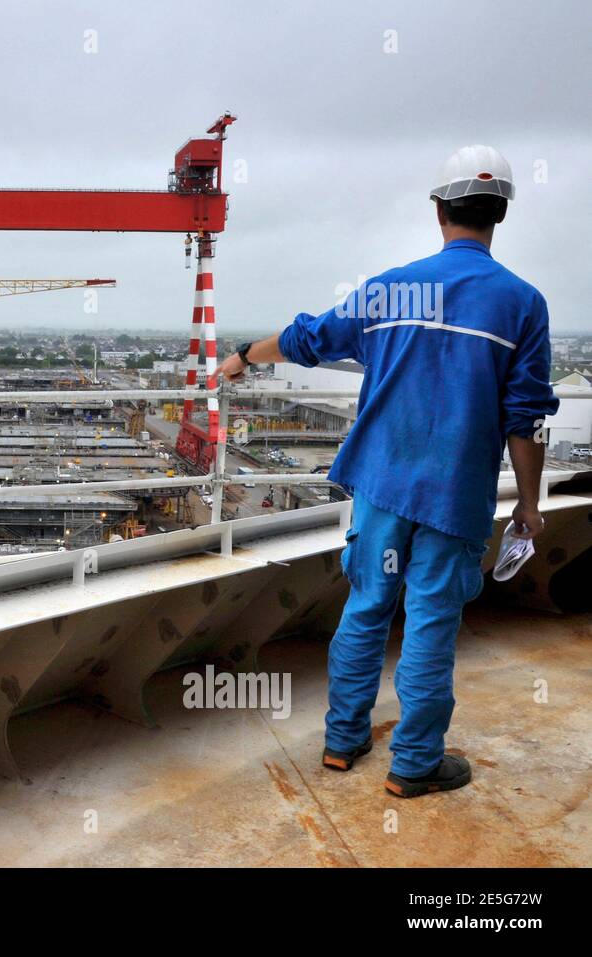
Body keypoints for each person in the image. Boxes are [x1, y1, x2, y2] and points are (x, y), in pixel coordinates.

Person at [211, 145, 559, 798]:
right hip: (454, 494)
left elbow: (309, 338)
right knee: (430, 623)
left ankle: (342, 743)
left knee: (366, 608)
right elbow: (526, 419)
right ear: (500, 214)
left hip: (380, 484)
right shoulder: (522, 304)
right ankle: (414, 764)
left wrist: (241, 357)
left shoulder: (395, 287)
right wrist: (530, 506)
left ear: (438, 211)